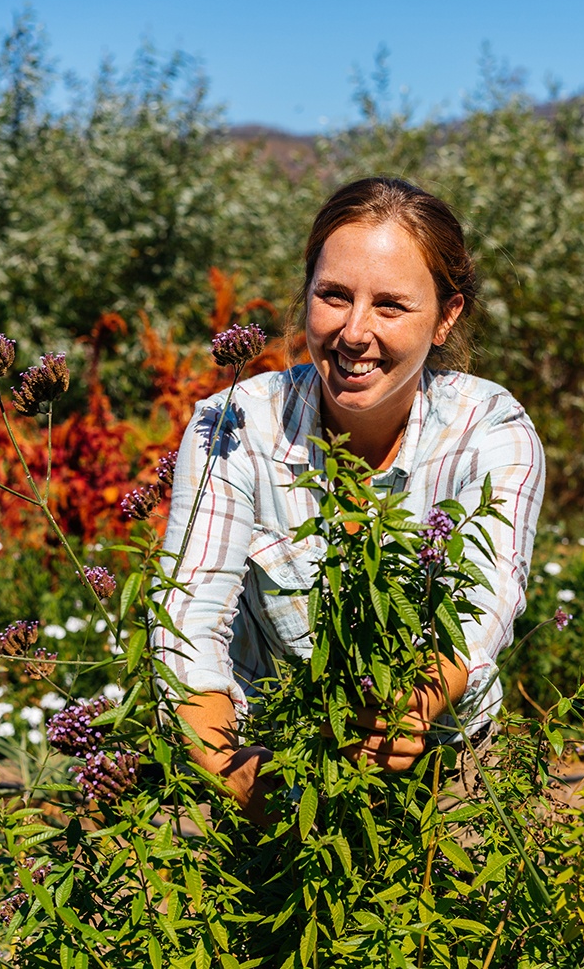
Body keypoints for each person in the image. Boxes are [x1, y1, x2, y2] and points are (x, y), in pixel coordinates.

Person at [156, 177, 545, 825]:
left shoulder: (490, 429)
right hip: (267, 769)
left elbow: (487, 600)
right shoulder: (232, 426)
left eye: (391, 305)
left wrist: (411, 706)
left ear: (446, 317)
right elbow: (185, 623)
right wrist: (257, 789)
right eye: (334, 296)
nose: (354, 332)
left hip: (444, 770)